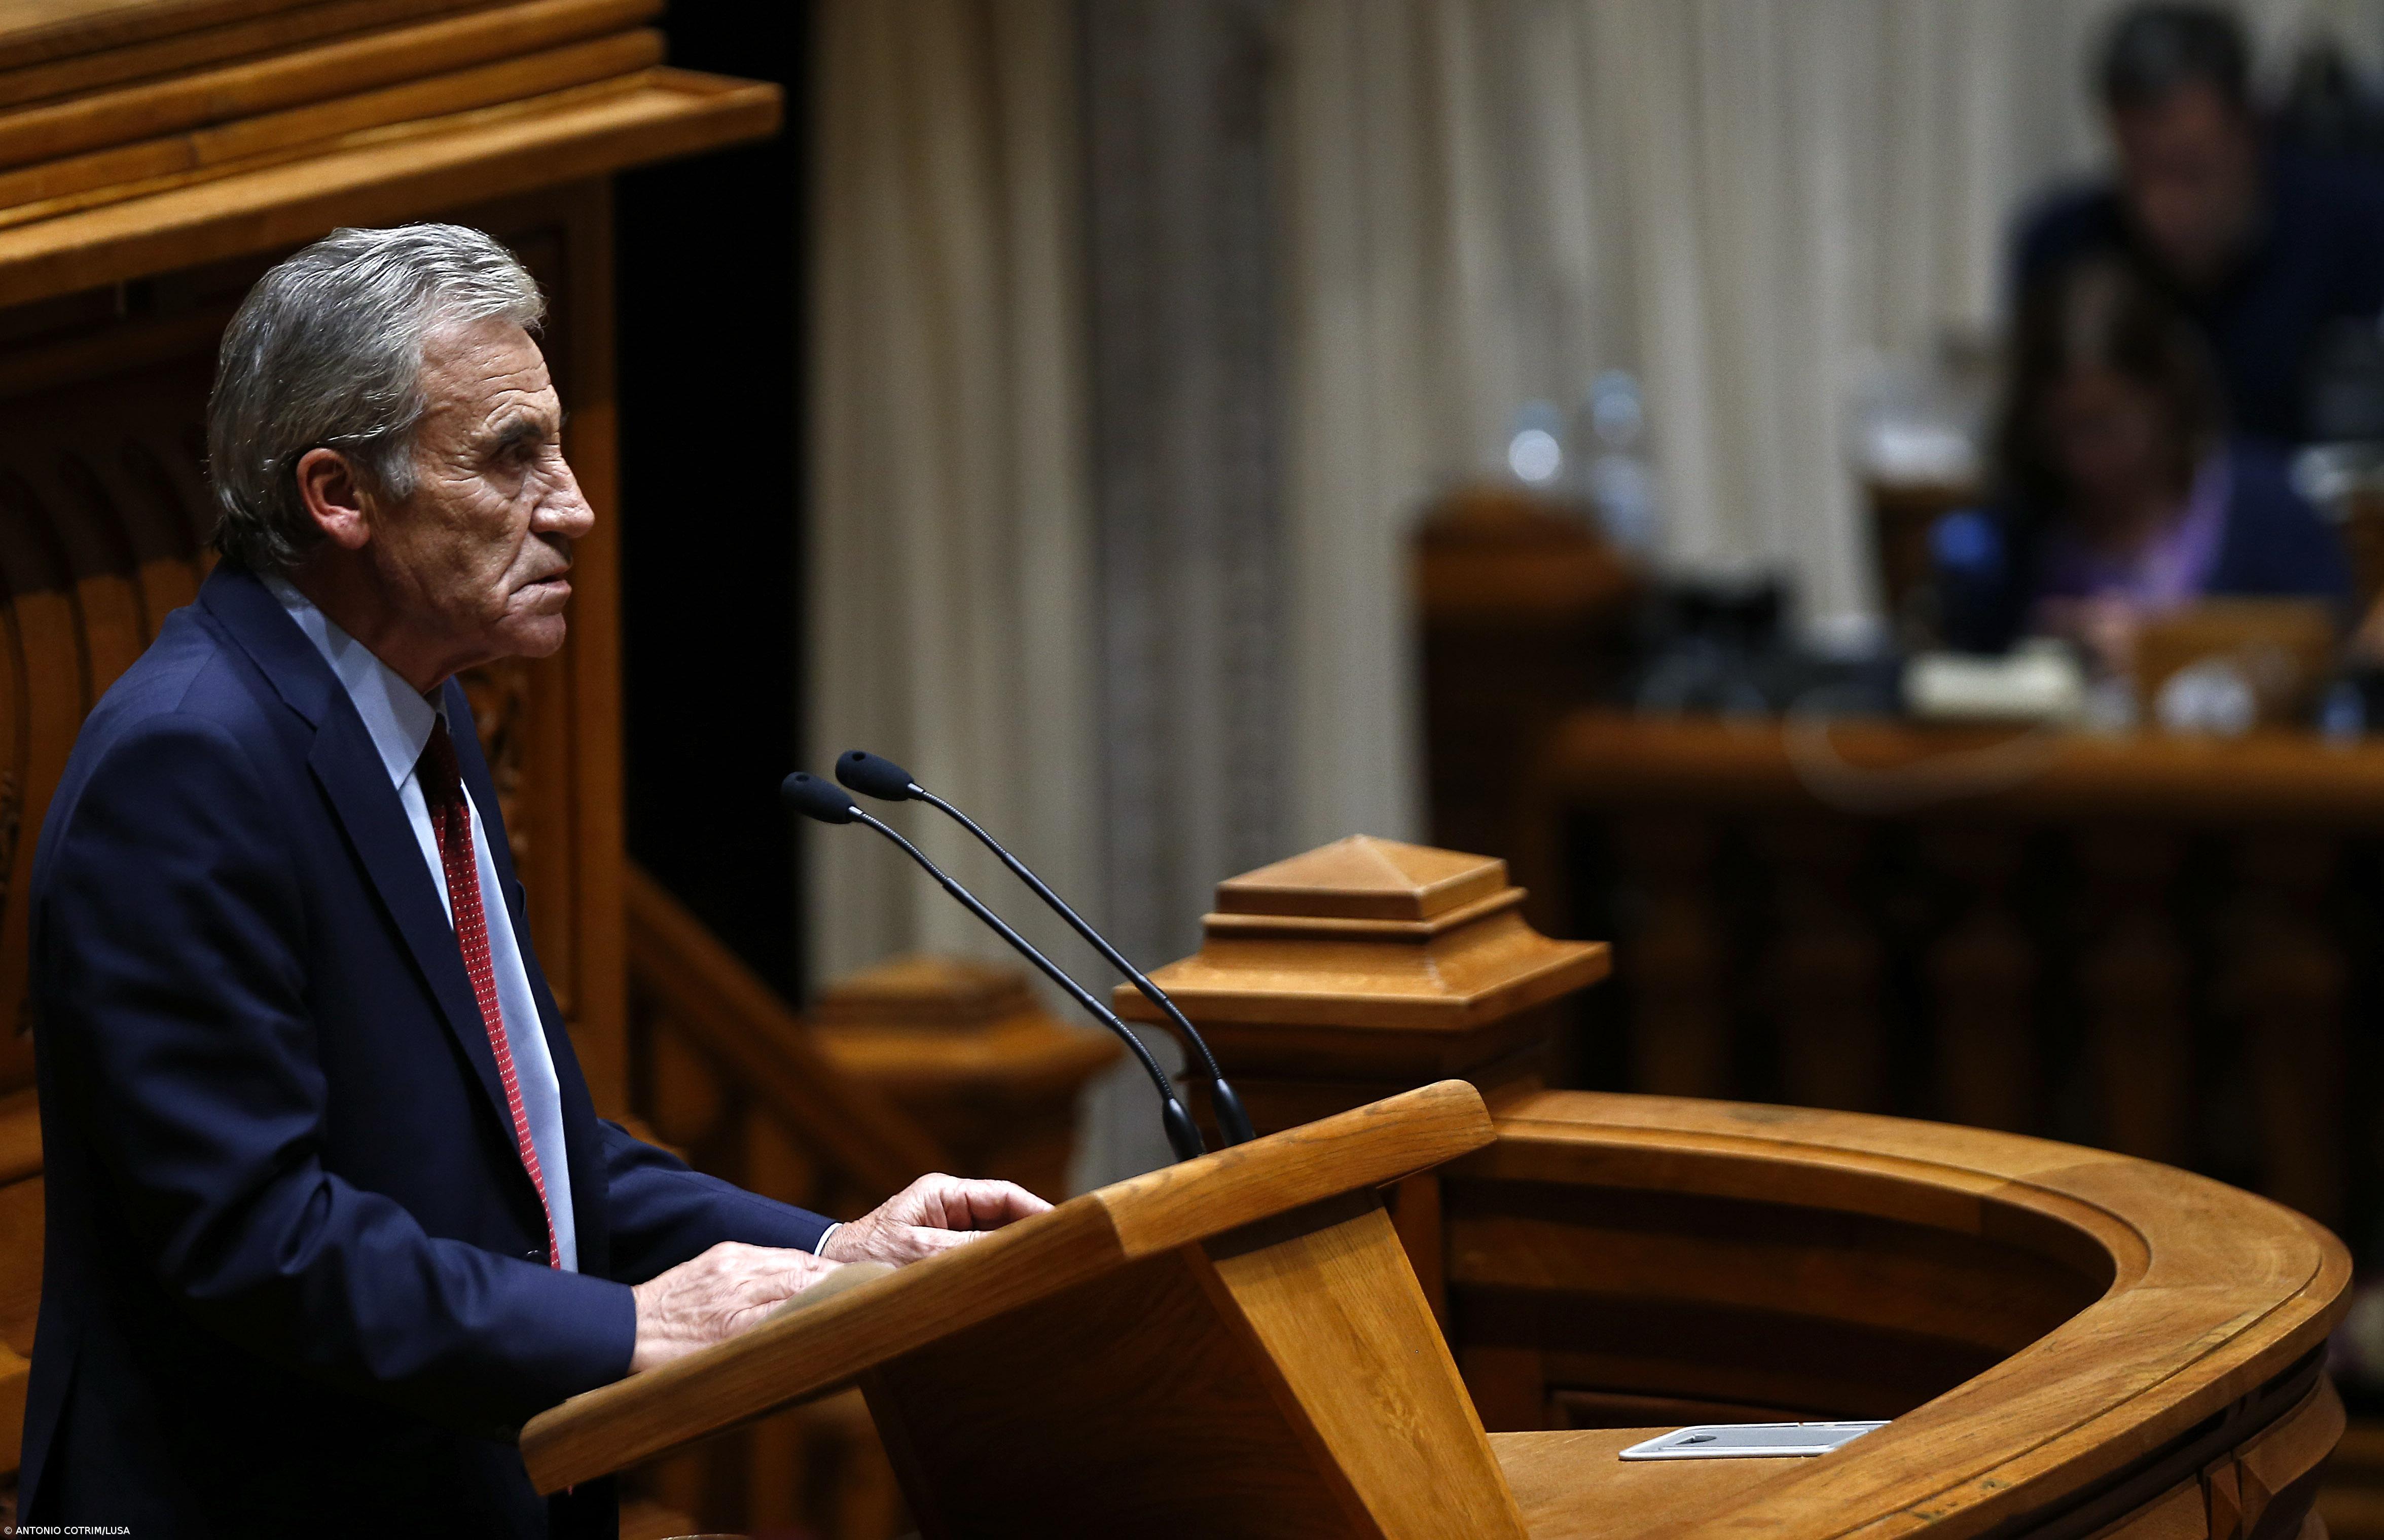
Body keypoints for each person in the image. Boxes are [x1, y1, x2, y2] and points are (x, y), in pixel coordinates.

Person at [15, 224, 1051, 1537]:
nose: (573, 502)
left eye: (554, 447)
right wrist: (628, 1323)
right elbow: (256, 1234)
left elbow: (536, 1165)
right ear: (339, 493)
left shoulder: (419, 719)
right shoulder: (189, 764)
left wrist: (829, 1249)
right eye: (511, 454)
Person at [1935, 256, 2351, 667]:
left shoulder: (2269, 510)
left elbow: (2328, 659)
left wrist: (2159, 649)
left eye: (2104, 427)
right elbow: (1963, 666)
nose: (2083, 459)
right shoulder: (2016, 530)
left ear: (2165, 397)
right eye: (2062, 432)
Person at [2013, 3, 2384, 447]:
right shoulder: (2067, 250)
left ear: (2249, 133)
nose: (2162, 206)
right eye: (2140, 172)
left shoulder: (2358, 227)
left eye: (2192, 171)